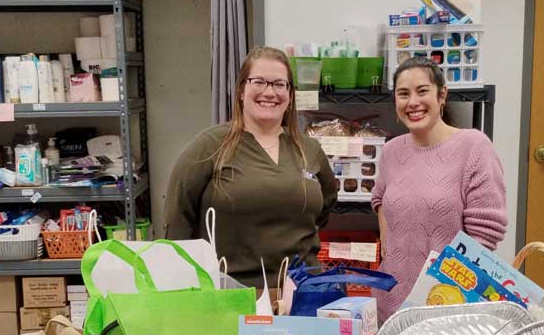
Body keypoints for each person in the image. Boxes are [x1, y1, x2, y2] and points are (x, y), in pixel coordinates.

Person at [165, 47, 338, 287]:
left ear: (290, 95)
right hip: (229, 295)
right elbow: (177, 221)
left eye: (280, 84)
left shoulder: (309, 149)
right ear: (241, 90)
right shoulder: (209, 147)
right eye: (259, 82)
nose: (270, 92)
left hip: (302, 293)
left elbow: (325, 206)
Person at [371, 57, 508, 319]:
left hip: (447, 300)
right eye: (403, 94)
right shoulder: (392, 150)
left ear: (442, 95)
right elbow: (379, 199)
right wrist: (389, 247)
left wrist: (445, 289)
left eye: (422, 91)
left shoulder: (474, 146)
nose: (413, 102)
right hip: (390, 295)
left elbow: (486, 234)